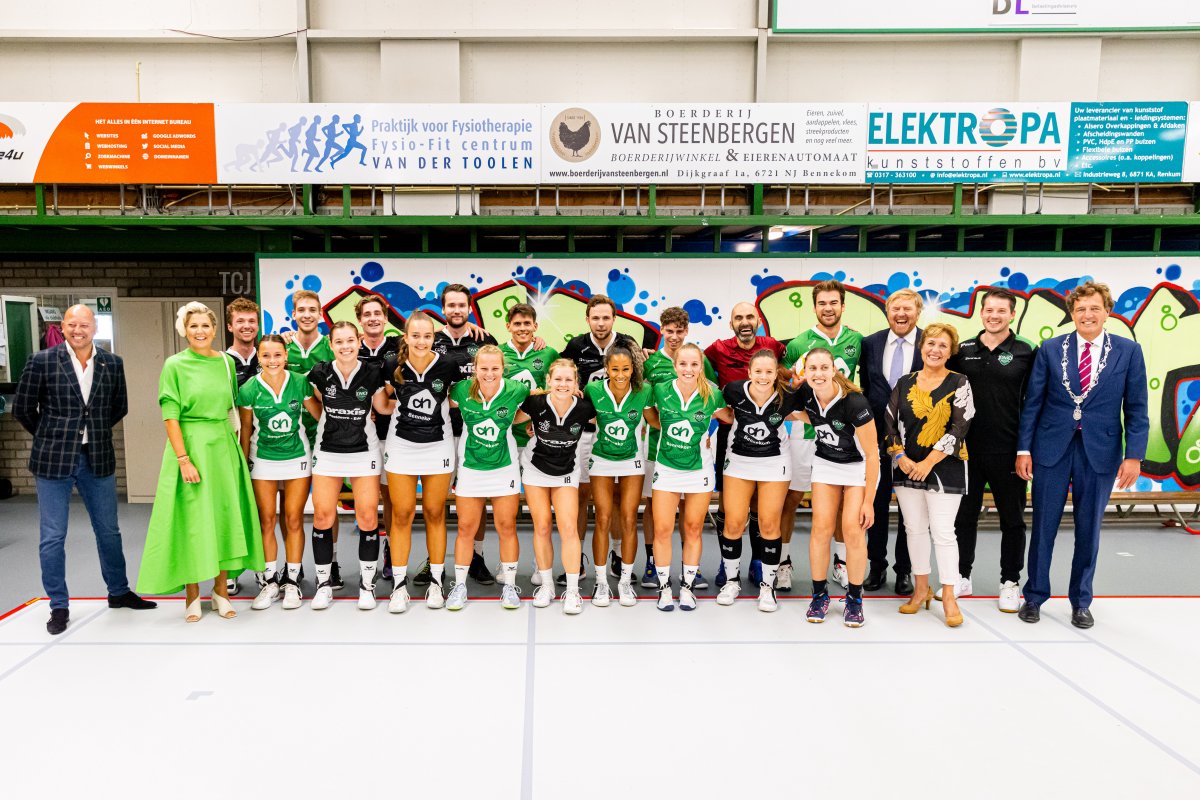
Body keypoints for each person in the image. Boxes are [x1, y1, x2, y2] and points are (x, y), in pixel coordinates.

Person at [13, 304, 156, 635]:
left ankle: (119, 592)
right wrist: (50, 435)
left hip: (98, 457)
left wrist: (93, 432)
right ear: (62, 327)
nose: (79, 330)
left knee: (109, 530)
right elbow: (22, 408)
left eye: (85, 325)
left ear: (95, 328)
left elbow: (119, 406)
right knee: (53, 536)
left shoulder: (111, 363)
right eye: (72, 324)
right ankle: (59, 606)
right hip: (52, 460)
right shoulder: (42, 361)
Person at [1016, 281, 1148, 629]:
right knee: (1044, 526)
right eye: (1080, 309)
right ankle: (1034, 596)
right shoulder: (1050, 348)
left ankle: (1081, 601)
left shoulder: (1128, 351)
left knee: (1089, 529)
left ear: (1107, 312)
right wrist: (1024, 447)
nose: (1087, 315)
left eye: (1094, 308)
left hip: (1100, 452)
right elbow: (1033, 402)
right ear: (1071, 313)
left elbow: (1136, 407)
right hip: (1051, 449)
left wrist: (1134, 455)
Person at [136, 303, 264, 622]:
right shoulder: (174, 365)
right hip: (191, 448)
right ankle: (192, 594)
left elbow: (231, 407)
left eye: (205, 325)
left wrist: (236, 449)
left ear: (215, 329)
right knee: (193, 522)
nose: (200, 331)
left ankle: (220, 590)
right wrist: (183, 459)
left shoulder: (225, 362)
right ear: (184, 330)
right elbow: (170, 415)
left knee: (222, 519)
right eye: (193, 326)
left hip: (222, 449)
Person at [946, 288, 1036, 612]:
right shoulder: (964, 350)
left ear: (1012, 314)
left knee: (1012, 520)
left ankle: (1010, 582)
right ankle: (961, 575)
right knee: (963, 518)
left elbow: (1034, 403)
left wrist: (1026, 449)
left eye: (1001, 311)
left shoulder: (1027, 352)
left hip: (1009, 452)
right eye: (989, 310)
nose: (994, 316)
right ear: (981, 313)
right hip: (967, 451)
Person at [884, 323, 974, 628]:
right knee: (914, 530)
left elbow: (959, 428)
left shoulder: (960, 382)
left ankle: (949, 594)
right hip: (907, 466)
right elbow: (889, 424)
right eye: (931, 344)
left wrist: (928, 463)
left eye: (943, 346)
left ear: (951, 352)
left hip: (945, 468)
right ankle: (921, 588)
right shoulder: (904, 381)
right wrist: (900, 456)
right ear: (922, 347)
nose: (935, 350)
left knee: (944, 532)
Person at [780, 280, 863, 592]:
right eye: (822, 303)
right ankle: (784, 564)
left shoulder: (856, 339)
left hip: (842, 433)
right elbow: (787, 385)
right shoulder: (800, 343)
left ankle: (841, 564)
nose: (828, 308)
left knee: (842, 503)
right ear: (815, 307)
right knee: (793, 498)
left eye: (833, 303)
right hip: (805, 432)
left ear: (842, 305)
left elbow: (859, 385)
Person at [378, 311, 461, 612]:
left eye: (427, 336)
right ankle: (399, 586)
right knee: (401, 515)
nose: (422, 341)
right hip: (401, 447)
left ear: (434, 337)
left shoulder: (449, 365)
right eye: (416, 335)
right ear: (406, 337)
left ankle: (437, 583)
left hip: (438, 446)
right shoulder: (392, 365)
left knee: (435, 512)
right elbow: (383, 401)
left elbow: (456, 400)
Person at [703, 301, 788, 587]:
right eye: (738, 317)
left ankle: (758, 561)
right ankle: (728, 566)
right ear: (731, 323)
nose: (745, 321)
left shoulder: (773, 346)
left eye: (749, 316)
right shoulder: (717, 349)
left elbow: (791, 369)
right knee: (730, 507)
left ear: (758, 320)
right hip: (732, 434)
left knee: (759, 507)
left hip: (766, 432)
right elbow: (696, 370)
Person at [559, 294, 643, 584]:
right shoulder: (576, 346)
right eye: (595, 317)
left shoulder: (629, 344)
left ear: (614, 318)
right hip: (586, 434)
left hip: (620, 432)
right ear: (587, 320)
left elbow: (642, 384)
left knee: (620, 500)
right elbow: (564, 380)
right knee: (581, 497)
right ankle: (579, 557)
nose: (601, 322)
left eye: (606, 317)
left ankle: (618, 554)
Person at [306, 321, 389, 611]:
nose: (345, 346)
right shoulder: (320, 372)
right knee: (323, 517)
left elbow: (381, 407)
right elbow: (316, 404)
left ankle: (367, 587)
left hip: (363, 451)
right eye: (339, 341)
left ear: (359, 340)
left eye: (350, 340)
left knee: (367, 518)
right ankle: (324, 585)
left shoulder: (372, 371)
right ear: (331, 345)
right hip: (328, 451)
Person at [794, 349, 879, 627]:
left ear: (834, 370)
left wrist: (869, 501)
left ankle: (854, 599)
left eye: (823, 368)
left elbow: (873, 455)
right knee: (821, 529)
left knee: (853, 530)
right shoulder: (806, 393)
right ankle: (819, 595)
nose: (818, 373)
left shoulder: (854, 402)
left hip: (856, 467)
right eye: (812, 368)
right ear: (805, 371)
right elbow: (808, 416)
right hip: (826, 464)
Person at [238, 335, 322, 611]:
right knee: (266, 519)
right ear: (258, 357)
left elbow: (319, 416)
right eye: (266, 356)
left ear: (286, 355)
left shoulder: (299, 382)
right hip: (262, 459)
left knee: (294, 518)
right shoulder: (250, 388)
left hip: (297, 457)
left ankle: (293, 581)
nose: (272, 361)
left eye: (277, 355)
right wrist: (243, 461)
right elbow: (247, 430)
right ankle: (270, 581)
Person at [445, 345, 531, 611]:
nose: (489, 374)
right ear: (475, 369)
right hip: (471, 470)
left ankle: (509, 587)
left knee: (507, 527)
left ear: (503, 368)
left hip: (503, 469)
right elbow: (441, 402)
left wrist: (525, 420)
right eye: (484, 368)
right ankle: (459, 586)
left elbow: (541, 401)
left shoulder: (516, 389)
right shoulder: (461, 390)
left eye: (495, 368)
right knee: (465, 529)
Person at [711, 350, 797, 612]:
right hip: (739, 461)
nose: (763, 376)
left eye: (769, 372)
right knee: (734, 523)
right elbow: (720, 412)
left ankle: (767, 588)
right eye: (758, 371)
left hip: (774, 462)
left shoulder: (788, 396)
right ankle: (732, 581)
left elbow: (807, 414)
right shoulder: (734, 391)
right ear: (749, 373)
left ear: (776, 374)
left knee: (769, 525)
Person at [640, 307, 717, 590]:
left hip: (692, 451)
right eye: (669, 331)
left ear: (686, 332)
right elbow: (646, 404)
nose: (674, 337)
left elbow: (711, 401)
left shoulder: (699, 360)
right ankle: (652, 562)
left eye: (679, 332)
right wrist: (665, 427)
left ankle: (689, 569)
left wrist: (705, 432)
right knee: (653, 506)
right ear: (662, 331)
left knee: (690, 506)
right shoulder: (650, 363)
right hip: (658, 449)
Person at [646, 344, 726, 611]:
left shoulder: (713, 394)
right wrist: (668, 429)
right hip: (667, 469)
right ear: (675, 365)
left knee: (693, 529)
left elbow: (729, 417)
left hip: (698, 471)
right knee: (662, 529)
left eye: (694, 364)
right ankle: (664, 588)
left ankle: (688, 588)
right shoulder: (659, 390)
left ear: (701, 366)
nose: (688, 369)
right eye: (683, 364)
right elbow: (650, 415)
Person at [432, 283, 498, 586]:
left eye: (462, 305)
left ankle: (477, 557)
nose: (456, 310)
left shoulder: (484, 340)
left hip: (477, 433)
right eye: (451, 305)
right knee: (439, 500)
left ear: (469, 308)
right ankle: (434, 560)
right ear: (443, 309)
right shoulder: (430, 341)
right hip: (440, 432)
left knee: (476, 498)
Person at [517, 359, 595, 614]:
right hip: (535, 468)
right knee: (541, 526)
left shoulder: (585, 407)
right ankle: (547, 585)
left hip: (566, 471)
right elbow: (512, 401)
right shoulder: (536, 403)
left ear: (576, 384)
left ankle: (572, 591)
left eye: (568, 380)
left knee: (568, 528)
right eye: (557, 379)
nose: (563, 384)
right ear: (548, 381)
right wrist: (534, 394)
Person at [859, 288, 922, 595]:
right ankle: (877, 566)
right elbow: (868, 389)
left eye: (907, 308)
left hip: (916, 443)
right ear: (887, 312)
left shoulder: (930, 343)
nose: (901, 313)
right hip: (877, 440)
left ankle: (904, 571)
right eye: (895, 308)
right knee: (877, 505)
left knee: (911, 510)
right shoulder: (870, 343)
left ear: (918, 312)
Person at [585, 346, 654, 607]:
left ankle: (624, 582)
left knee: (628, 518)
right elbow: (576, 414)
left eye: (626, 369)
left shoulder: (644, 391)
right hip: (601, 459)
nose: (620, 374)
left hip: (631, 461)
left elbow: (656, 420)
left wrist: (700, 431)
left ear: (633, 368)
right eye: (615, 369)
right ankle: (601, 582)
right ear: (606, 368)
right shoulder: (593, 390)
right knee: (602, 518)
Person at [284, 289, 342, 587]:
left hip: (323, 435)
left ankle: (331, 562)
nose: (306, 314)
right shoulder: (283, 348)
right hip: (289, 439)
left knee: (326, 507)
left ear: (320, 314)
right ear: (293, 314)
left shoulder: (331, 349)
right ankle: (291, 565)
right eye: (301, 309)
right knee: (289, 508)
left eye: (312, 309)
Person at [499, 303, 559, 584]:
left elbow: (560, 388)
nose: (522, 328)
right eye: (517, 324)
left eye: (527, 324)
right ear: (508, 326)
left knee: (540, 509)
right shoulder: (499, 354)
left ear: (536, 326)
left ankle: (540, 564)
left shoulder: (548, 354)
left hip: (540, 440)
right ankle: (506, 564)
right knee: (506, 507)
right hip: (506, 439)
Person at [355, 294, 401, 581]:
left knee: (390, 500)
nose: (373, 318)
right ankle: (367, 559)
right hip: (358, 438)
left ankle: (392, 552)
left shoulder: (400, 346)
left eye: (377, 313)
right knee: (367, 502)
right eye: (367, 314)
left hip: (392, 434)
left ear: (385, 317)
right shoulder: (348, 346)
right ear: (360, 320)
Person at [223, 297, 262, 596]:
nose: (247, 326)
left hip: (268, 445)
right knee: (232, 509)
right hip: (232, 444)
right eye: (241, 321)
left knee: (264, 513)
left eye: (251, 321)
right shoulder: (221, 361)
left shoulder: (268, 357)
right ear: (230, 325)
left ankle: (265, 568)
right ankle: (232, 571)